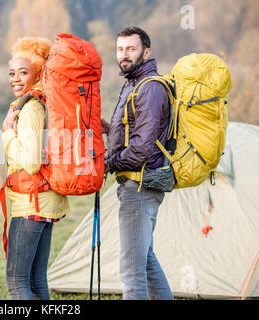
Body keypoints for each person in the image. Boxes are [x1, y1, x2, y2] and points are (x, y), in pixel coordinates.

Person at [101, 26, 174, 300]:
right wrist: (110, 130)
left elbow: (142, 147)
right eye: (120, 49)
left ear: (146, 51)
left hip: (140, 185)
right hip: (137, 183)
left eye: (131, 49)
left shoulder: (150, 88)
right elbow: (138, 132)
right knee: (144, 259)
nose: (124, 55)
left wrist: (108, 163)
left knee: (131, 270)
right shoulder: (133, 83)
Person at [1, 37, 70, 300]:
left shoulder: (30, 108)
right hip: (46, 200)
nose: (15, 79)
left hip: (31, 203)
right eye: (11, 73)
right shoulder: (46, 101)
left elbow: (30, 162)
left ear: (39, 72)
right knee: (36, 278)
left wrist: (7, 133)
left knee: (17, 281)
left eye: (23, 72)